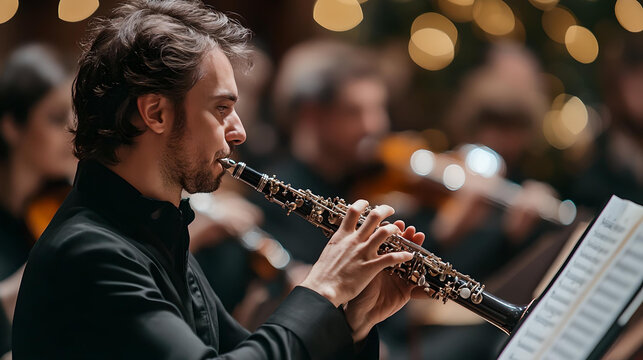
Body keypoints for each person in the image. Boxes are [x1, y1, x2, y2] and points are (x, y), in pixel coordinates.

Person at [12, 1, 425, 359]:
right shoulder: (90, 252)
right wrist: (323, 288)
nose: (240, 131)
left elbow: (244, 351)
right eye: (221, 108)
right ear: (155, 113)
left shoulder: (156, 233)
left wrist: (353, 320)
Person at [0, 44, 76, 359]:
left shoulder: (66, 202)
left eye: (76, 115)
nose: (74, 130)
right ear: (12, 127)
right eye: (57, 118)